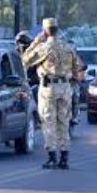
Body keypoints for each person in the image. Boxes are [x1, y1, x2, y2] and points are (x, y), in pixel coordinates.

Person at [22, 18, 83, 170]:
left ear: (45, 31)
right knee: (64, 122)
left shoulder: (44, 47)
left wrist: (36, 41)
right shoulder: (68, 47)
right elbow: (79, 68)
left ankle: (51, 157)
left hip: (48, 88)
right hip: (65, 87)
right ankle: (64, 157)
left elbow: (25, 60)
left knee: (49, 122)